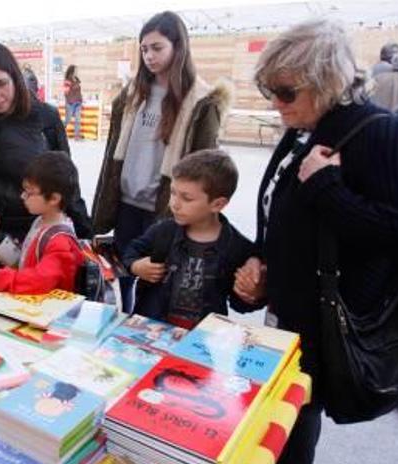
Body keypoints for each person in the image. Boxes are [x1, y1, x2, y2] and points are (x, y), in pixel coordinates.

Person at [233, 20, 398, 464]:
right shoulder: (306, 127)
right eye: (268, 90)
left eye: (284, 91)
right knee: (269, 439)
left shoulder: (383, 136)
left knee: (288, 445)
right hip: (289, 315)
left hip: (326, 327)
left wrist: (327, 188)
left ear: (327, 83)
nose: (274, 103)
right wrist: (262, 260)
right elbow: (283, 213)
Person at [91, 11, 229, 313]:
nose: (149, 56)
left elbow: (207, 167)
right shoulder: (132, 94)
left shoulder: (201, 102)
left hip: (166, 209)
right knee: (124, 275)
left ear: (178, 47)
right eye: (144, 49)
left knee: (158, 286)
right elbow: (112, 155)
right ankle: (122, 331)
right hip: (127, 204)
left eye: (157, 48)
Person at [0, 42, 92, 245]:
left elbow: (68, 180)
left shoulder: (47, 116)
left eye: (1, 83)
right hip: (4, 231)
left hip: (49, 227)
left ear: (15, 78)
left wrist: (85, 233)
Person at [122, 149, 257, 330]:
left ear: (218, 204)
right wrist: (136, 266)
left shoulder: (238, 248)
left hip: (201, 337)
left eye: (186, 198)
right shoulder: (164, 231)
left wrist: (252, 294)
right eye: (173, 193)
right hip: (151, 329)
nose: (175, 204)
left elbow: (241, 305)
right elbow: (131, 250)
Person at [0, 151, 84, 294]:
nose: (23, 196)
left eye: (29, 192)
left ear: (54, 198)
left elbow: (41, 280)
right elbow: (32, 264)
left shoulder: (60, 240)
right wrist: (12, 259)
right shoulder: (40, 221)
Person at [62, 64, 83, 140]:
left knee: (78, 120)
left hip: (78, 102)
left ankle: (77, 136)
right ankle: (60, 132)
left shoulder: (77, 79)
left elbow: (78, 91)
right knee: (68, 120)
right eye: (76, 70)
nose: (77, 72)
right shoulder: (67, 80)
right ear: (72, 71)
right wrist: (69, 100)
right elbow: (65, 92)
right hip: (70, 103)